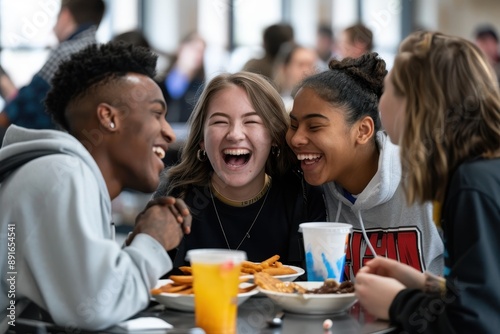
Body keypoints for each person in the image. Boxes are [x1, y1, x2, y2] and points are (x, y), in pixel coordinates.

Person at [0, 42, 192, 331]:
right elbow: (95, 308)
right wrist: (152, 242)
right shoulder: (63, 175)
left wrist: (134, 246)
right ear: (109, 117)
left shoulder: (63, 174)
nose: (168, 132)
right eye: (156, 114)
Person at [355, 31, 500, 333]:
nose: (380, 101)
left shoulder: (470, 185)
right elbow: (486, 292)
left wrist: (398, 302)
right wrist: (426, 284)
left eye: (389, 88)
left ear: (417, 103)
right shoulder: (481, 172)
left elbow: (477, 324)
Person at [286, 52, 444, 281]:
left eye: (314, 127)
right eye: (293, 125)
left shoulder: (430, 181)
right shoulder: (312, 190)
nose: (296, 139)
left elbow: (477, 291)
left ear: (363, 131)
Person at [154, 71, 326, 270]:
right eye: (220, 121)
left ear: (274, 137)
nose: (235, 135)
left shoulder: (303, 197)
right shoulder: (175, 198)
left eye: (251, 121)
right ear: (201, 140)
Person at [0, 0, 105, 130]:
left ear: (65, 15)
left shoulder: (66, 53)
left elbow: (24, 108)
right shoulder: (101, 53)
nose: (54, 25)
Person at [156, 32, 206, 123]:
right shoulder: (160, 81)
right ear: (181, 48)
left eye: (201, 52)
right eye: (194, 49)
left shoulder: (200, 88)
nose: (198, 55)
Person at [272, 42, 319, 112]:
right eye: (301, 65)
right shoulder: (274, 103)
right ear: (285, 68)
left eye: (310, 65)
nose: (306, 71)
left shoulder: (322, 103)